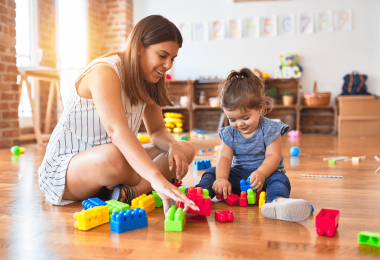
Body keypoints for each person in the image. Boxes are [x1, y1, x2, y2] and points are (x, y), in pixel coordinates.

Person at [38, 15, 199, 214]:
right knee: (114, 157)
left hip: (116, 163)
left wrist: (173, 146)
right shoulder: (105, 71)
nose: (168, 65)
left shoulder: (149, 80)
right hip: (67, 171)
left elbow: (157, 131)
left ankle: (130, 191)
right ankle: (144, 185)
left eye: (172, 59)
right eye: (162, 56)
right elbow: (117, 131)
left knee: (185, 149)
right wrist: (158, 178)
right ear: (140, 48)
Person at [195, 68, 311, 222]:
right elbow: (224, 156)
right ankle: (197, 196)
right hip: (240, 178)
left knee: (279, 180)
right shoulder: (229, 133)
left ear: (260, 108)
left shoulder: (270, 129)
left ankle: (277, 202)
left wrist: (261, 173)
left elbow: (273, 156)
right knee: (211, 172)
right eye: (232, 119)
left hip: (266, 176)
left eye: (245, 117)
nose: (240, 124)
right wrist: (222, 178)